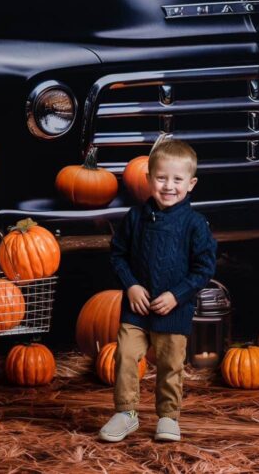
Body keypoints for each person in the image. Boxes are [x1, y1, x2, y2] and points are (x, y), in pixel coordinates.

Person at [98, 135, 217, 443]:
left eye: (177, 179)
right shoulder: (135, 218)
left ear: (191, 184)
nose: (168, 186)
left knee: (170, 364)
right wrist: (132, 286)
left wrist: (177, 295)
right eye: (161, 178)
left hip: (173, 310)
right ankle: (126, 412)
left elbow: (204, 268)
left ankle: (167, 416)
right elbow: (118, 255)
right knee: (125, 355)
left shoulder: (195, 224)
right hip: (136, 308)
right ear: (149, 179)